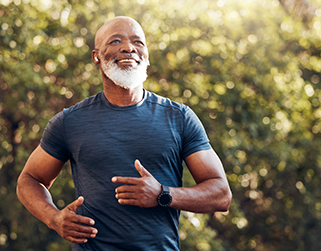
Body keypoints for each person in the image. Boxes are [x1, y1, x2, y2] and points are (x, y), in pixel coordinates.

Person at [17, 16, 232, 251]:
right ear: (96, 56)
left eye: (138, 42)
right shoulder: (70, 121)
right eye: (115, 41)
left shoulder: (179, 117)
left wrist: (163, 194)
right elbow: (29, 179)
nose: (128, 47)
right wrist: (54, 218)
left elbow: (221, 195)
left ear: (146, 54)